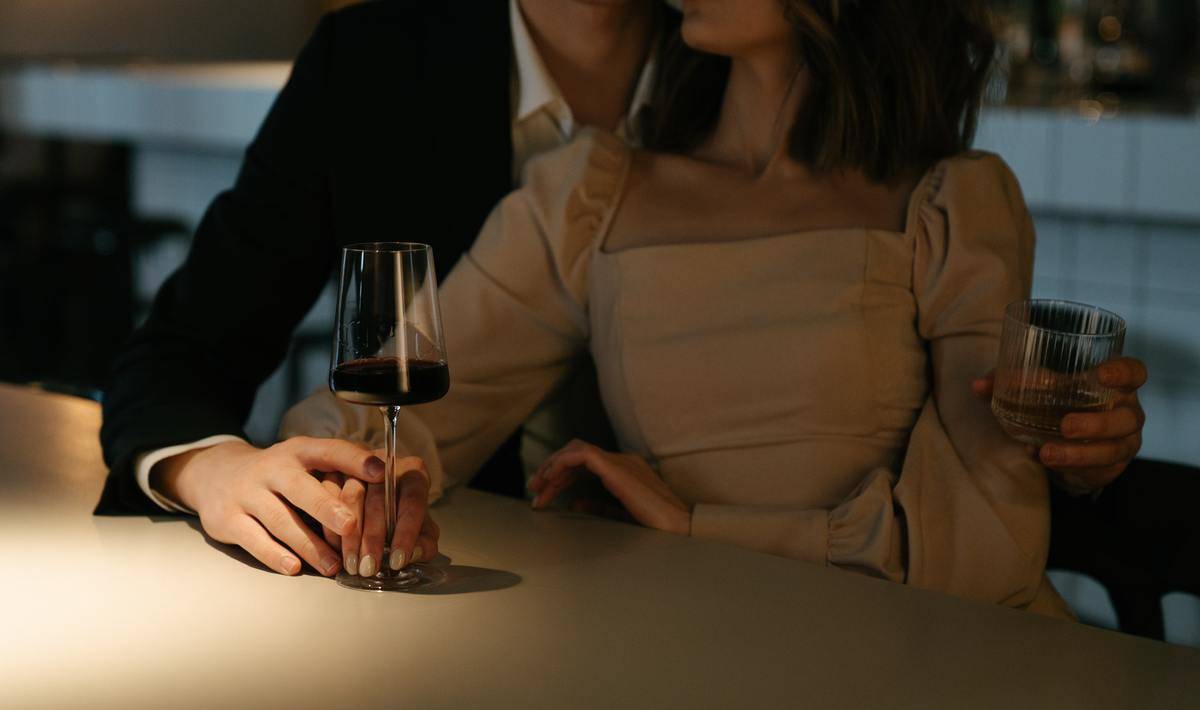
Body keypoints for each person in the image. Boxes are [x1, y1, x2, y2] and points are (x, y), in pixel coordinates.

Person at [98, 0, 1147, 585]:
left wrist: (1068, 443)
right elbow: (222, 365)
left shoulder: (940, 195)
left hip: (900, 663)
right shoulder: (420, 89)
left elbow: (989, 515)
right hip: (557, 625)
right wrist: (235, 470)